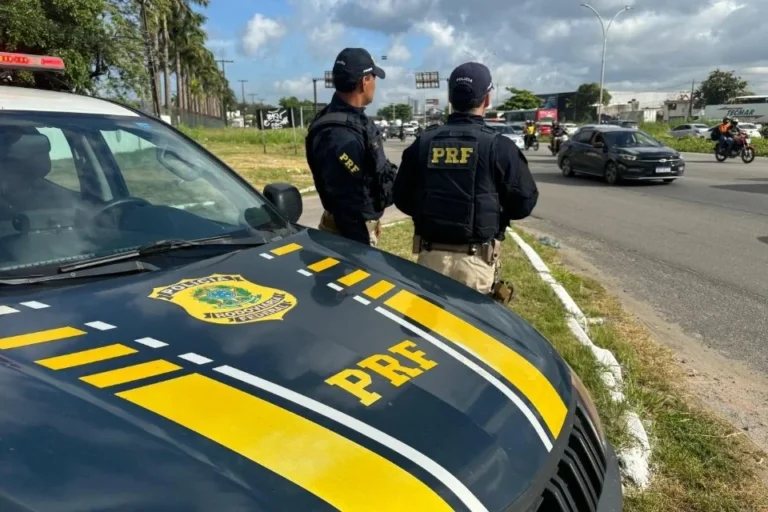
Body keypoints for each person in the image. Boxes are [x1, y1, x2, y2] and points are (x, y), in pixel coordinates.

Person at [393, 61, 539, 303]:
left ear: (450, 97)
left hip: (429, 259)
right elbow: (524, 203)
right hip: (476, 264)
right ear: (487, 99)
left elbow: (401, 197)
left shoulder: (424, 142)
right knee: (469, 327)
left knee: (426, 324)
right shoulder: (499, 146)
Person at [305, 48, 397, 247]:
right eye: (374, 77)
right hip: (349, 237)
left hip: (356, 230)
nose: (375, 84)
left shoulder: (354, 120)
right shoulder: (340, 135)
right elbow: (347, 203)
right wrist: (361, 247)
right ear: (365, 81)